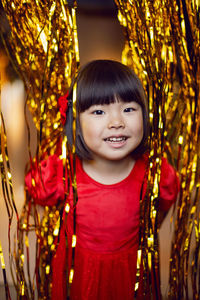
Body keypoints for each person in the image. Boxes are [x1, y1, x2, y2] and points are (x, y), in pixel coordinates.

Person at [25, 60, 180, 300]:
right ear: (75, 121)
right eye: (99, 111)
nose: (117, 122)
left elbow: (159, 213)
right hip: (78, 278)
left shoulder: (153, 173)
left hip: (131, 277)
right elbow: (37, 201)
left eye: (129, 109)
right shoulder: (63, 173)